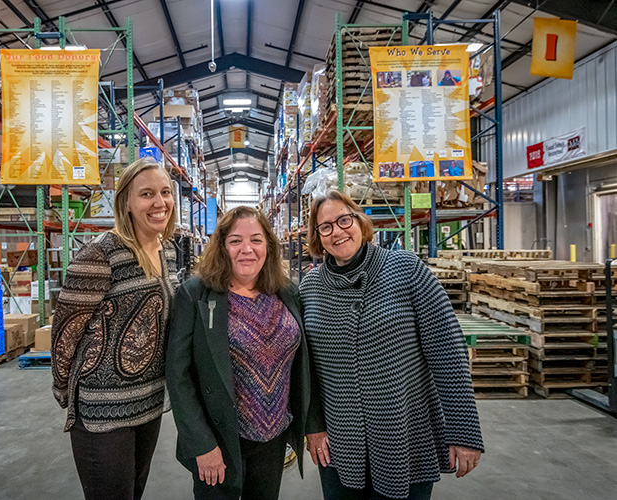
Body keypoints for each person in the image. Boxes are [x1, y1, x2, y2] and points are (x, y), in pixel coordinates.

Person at [300, 190, 484, 500]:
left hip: (405, 433)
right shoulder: (311, 287)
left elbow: (448, 351)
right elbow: (307, 369)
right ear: (318, 238)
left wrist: (463, 431)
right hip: (340, 441)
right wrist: (314, 427)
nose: (338, 231)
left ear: (360, 222)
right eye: (326, 226)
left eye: (344, 220)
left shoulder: (406, 269)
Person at [51, 157, 180, 500]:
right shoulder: (101, 253)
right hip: (102, 410)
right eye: (147, 194)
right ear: (126, 202)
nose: (159, 202)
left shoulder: (166, 250)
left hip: (149, 402)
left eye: (165, 193)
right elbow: (66, 328)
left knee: (133, 492)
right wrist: (63, 390)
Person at [167, 206, 313, 500]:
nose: (247, 249)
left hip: (273, 439)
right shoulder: (195, 294)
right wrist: (201, 444)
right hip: (219, 439)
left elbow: (302, 366)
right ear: (222, 246)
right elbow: (178, 376)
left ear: (269, 247)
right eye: (235, 241)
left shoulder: (287, 292)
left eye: (256, 240)